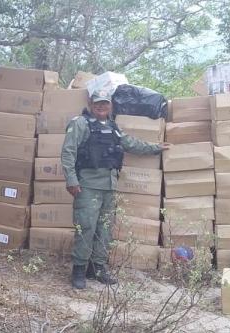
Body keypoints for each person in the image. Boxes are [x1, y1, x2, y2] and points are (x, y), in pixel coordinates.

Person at [61, 89, 170, 289]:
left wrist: (155, 147)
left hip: (109, 187)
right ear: (91, 105)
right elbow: (68, 152)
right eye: (97, 103)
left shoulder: (112, 127)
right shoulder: (80, 123)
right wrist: (71, 180)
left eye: (105, 103)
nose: (101, 107)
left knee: (104, 229)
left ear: (110, 105)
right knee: (86, 227)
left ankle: (98, 268)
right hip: (88, 186)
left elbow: (130, 143)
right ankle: (79, 270)